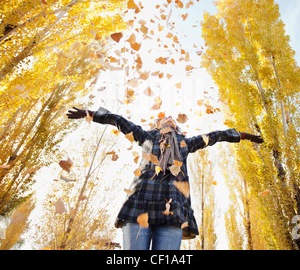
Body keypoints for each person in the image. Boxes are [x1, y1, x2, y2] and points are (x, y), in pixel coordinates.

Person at [67, 106, 264, 250]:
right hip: (140, 206)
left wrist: (241, 135)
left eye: (173, 118)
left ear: (177, 128)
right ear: (157, 125)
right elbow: (119, 121)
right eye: (164, 117)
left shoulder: (186, 142)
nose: (169, 117)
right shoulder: (145, 137)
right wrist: (90, 114)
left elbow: (214, 136)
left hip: (173, 210)